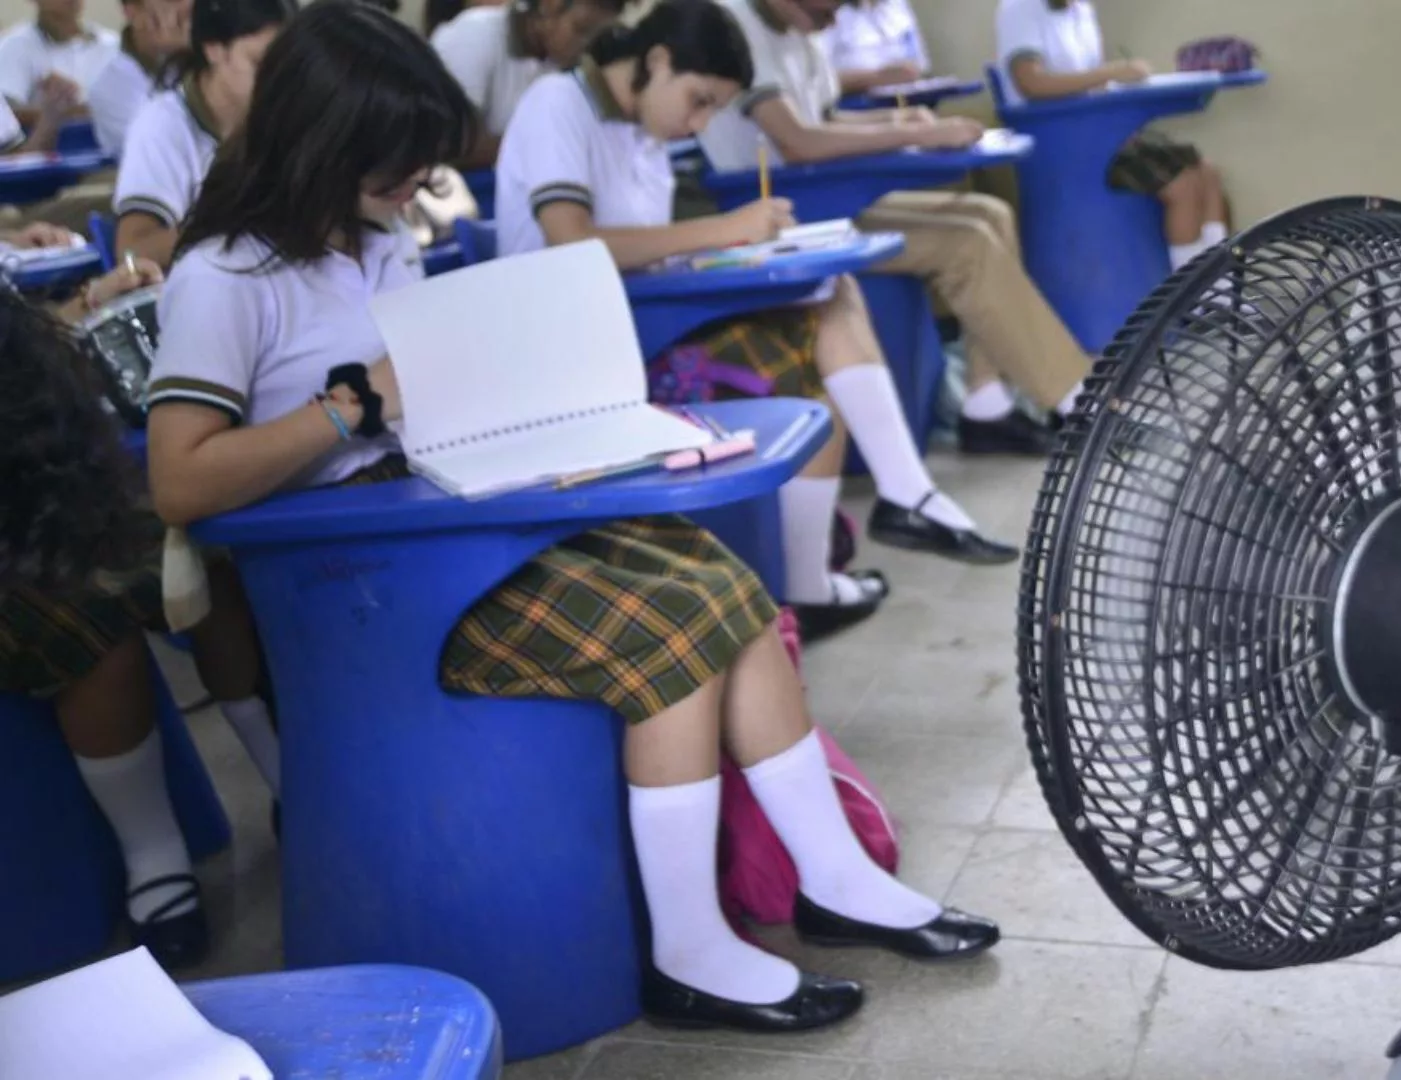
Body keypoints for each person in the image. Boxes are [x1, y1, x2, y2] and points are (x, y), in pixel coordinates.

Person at [146, 0, 1000, 1031]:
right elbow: (181, 483)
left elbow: (425, 398)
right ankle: (689, 949)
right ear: (326, 144)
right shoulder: (225, 275)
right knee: (671, 628)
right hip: (355, 570)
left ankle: (833, 875)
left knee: (714, 578)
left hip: (438, 511)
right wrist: (350, 404)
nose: (418, 188)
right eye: (398, 166)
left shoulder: (376, 242)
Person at [497, 0, 1021, 635]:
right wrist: (723, 229)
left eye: (712, 109)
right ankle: (869, 529)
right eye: (699, 100)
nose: (699, 123)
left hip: (638, 323)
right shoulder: (558, 104)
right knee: (808, 355)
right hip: (578, 354)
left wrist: (740, 248)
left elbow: (651, 256)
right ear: (657, 61)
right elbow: (571, 244)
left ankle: (883, 514)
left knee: (829, 294)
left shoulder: (644, 132)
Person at [0, 255, 281, 973]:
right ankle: (152, 853)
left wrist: (82, 305)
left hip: (32, 492)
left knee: (199, 561)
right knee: (89, 625)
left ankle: (292, 787)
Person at [698, 0, 1090, 458]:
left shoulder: (800, 33)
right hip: (777, 215)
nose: (838, 17)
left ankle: (987, 405)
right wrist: (913, 136)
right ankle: (1079, 403)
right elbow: (799, 141)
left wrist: (905, 120)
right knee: (967, 243)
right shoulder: (739, 26)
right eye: (832, 7)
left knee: (989, 213)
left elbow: (825, 121)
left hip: (821, 201)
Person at [994, 0, 1231, 273]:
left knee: (1207, 172)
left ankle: (1220, 288)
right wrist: (1113, 71)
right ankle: (1194, 300)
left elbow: (1093, 84)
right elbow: (1031, 83)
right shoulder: (1019, 9)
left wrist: (1118, 84)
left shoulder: (1081, 11)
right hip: (1063, 146)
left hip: (1102, 134)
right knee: (1183, 183)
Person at [112, 0, 296, 267]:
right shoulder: (162, 125)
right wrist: (234, 223)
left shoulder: (289, 113)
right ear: (214, 50)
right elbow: (132, 251)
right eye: (260, 64)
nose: (277, 82)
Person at [432, 0, 630, 168]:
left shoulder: (567, 63)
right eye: (581, 29)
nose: (585, 44)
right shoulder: (474, 36)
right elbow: (449, 143)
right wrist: (545, 146)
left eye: (596, 36)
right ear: (549, 6)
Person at [86, 0, 192, 158]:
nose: (186, 8)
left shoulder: (207, 62)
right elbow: (166, 154)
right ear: (132, 12)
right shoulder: (111, 89)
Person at [0, 0, 117, 129]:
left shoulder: (112, 46)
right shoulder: (13, 47)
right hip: (53, 146)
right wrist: (57, 108)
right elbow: (5, 114)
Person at [825, 0, 927, 95]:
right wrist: (879, 78)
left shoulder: (897, 5)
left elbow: (920, 65)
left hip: (909, 99)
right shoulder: (829, 10)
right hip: (856, 106)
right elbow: (820, 82)